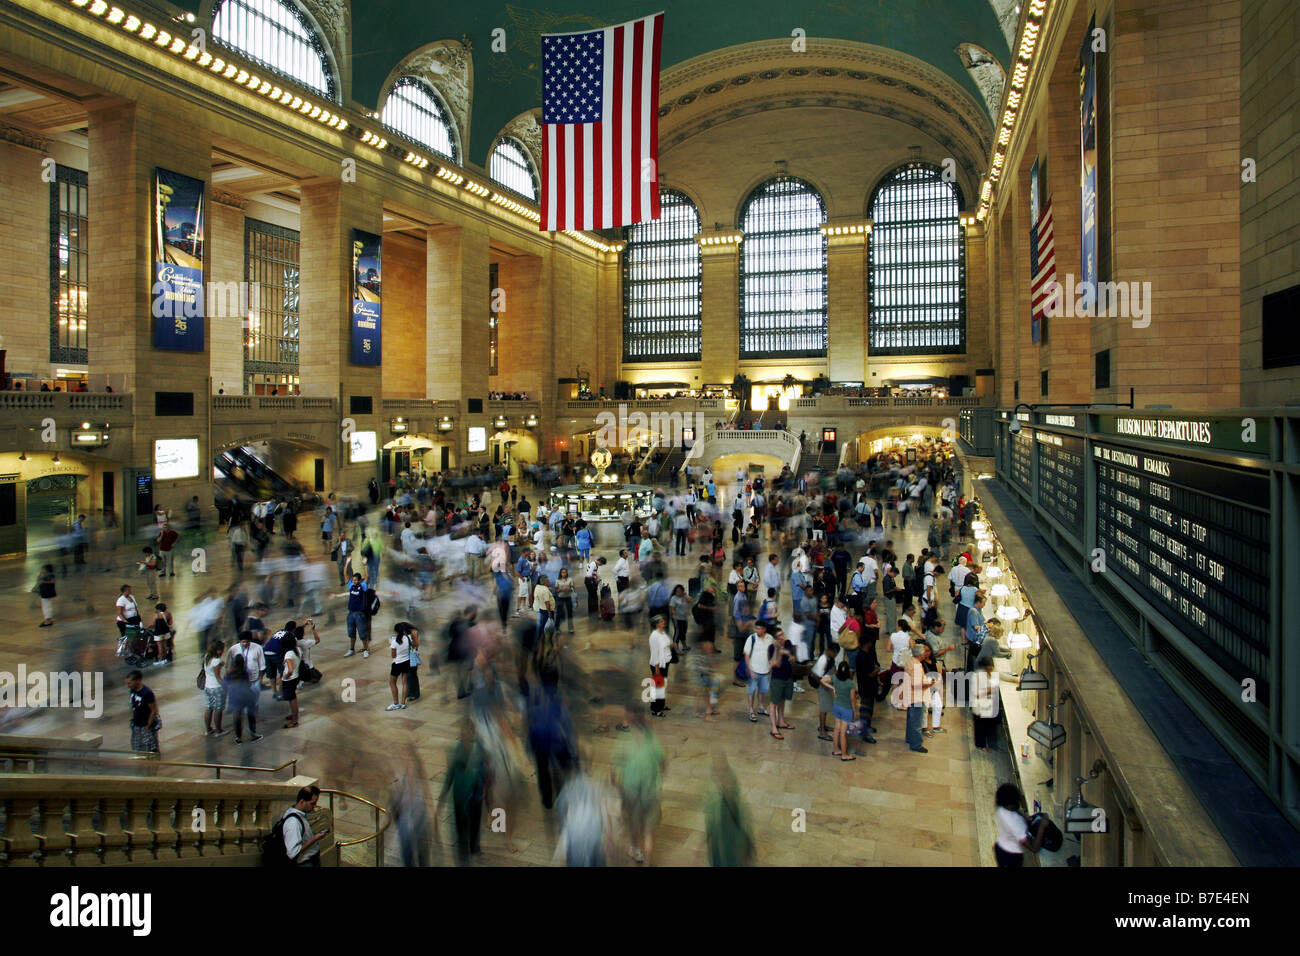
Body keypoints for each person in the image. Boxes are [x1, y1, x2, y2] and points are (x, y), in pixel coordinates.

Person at [613, 709, 666, 864]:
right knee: (648, 833)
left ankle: (636, 850)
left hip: (631, 793)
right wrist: (659, 781)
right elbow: (663, 763)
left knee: (634, 826)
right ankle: (648, 862)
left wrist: (616, 786)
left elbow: (616, 769)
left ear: (629, 722)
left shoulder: (625, 742)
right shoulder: (652, 740)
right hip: (650, 793)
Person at [439, 721, 487, 864]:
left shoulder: (479, 751)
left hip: (475, 798)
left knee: (474, 823)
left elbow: (485, 773)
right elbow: (451, 774)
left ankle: (474, 846)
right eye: (462, 733)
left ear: (473, 734)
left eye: (467, 733)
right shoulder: (457, 750)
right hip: (459, 798)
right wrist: (443, 795)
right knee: (460, 827)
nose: (464, 736)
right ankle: (463, 855)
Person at [994, 782, 1048, 867]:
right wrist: (1042, 827)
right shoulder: (1016, 822)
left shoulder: (1001, 808)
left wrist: (1024, 817)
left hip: (1000, 848)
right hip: (1012, 857)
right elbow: (1034, 848)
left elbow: (1014, 812)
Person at [282, 787, 328, 867]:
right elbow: (293, 852)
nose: (315, 806)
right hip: (305, 863)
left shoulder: (298, 813)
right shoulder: (293, 822)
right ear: (302, 801)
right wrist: (315, 839)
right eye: (312, 803)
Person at [822, 659, 857, 761]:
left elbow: (822, 680)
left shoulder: (835, 678)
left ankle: (836, 749)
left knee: (837, 728)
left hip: (836, 707)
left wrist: (832, 688)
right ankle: (844, 754)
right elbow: (852, 699)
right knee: (843, 732)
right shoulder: (851, 684)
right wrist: (855, 711)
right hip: (846, 709)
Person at [767, 625, 796, 740]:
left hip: (787, 676)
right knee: (774, 702)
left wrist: (788, 653)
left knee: (783, 699)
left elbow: (793, 659)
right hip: (777, 678)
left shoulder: (788, 643)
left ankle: (781, 721)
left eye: (782, 634)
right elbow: (774, 664)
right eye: (779, 637)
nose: (782, 638)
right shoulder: (771, 648)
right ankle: (774, 727)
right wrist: (778, 650)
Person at [334, 573, 372, 658]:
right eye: (353, 580)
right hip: (351, 613)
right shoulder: (351, 586)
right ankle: (351, 649)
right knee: (351, 632)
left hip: (360, 614)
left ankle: (366, 649)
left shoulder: (363, 587)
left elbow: (367, 577)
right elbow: (345, 576)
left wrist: (364, 564)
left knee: (362, 633)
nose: (353, 581)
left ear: (359, 580)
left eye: (355, 580)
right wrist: (347, 564)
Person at [743, 620, 774, 723]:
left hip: (765, 670)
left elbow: (772, 652)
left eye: (760, 629)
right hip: (754, 670)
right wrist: (750, 670)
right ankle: (751, 710)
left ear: (764, 629)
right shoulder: (751, 638)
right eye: (757, 628)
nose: (758, 631)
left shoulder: (770, 638)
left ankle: (761, 706)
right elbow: (747, 655)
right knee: (751, 691)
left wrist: (771, 665)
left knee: (762, 690)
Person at [124, 669, 161, 754]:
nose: (128, 686)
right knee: (137, 747)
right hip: (136, 724)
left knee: (150, 748)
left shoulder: (147, 693)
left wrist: (147, 726)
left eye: (129, 683)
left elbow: (154, 710)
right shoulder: (132, 690)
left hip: (146, 725)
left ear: (138, 681)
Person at [972, 656, 1000, 751]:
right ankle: (981, 745)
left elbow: (1002, 676)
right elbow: (976, 693)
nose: (990, 670)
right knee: (981, 727)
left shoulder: (992, 674)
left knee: (990, 726)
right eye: (988, 668)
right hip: (980, 705)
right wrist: (990, 690)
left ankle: (992, 744)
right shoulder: (977, 676)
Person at [812, 642, 839, 742]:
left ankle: (823, 725)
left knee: (826, 707)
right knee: (823, 708)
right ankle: (822, 732)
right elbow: (817, 677)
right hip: (823, 687)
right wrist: (826, 686)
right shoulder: (823, 660)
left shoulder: (830, 658)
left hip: (827, 686)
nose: (835, 656)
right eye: (835, 653)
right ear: (832, 651)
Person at [904, 644, 928, 753]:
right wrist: (929, 684)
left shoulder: (910, 661)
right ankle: (916, 744)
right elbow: (915, 684)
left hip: (909, 695)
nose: (926, 654)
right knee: (917, 722)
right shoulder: (917, 666)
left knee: (911, 719)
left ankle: (909, 738)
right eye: (924, 652)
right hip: (917, 697)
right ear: (921, 654)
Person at [647, 614, 673, 717]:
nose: (664, 622)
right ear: (657, 624)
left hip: (665, 662)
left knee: (662, 686)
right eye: (661, 621)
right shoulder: (654, 636)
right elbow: (654, 653)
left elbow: (667, 643)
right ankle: (655, 709)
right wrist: (657, 668)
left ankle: (661, 705)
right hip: (658, 665)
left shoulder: (662, 633)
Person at [388, 623, 411, 710]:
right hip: (406, 662)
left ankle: (396, 703)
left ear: (396, 631)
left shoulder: (394, 642)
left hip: (397, 663)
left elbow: (393, 656)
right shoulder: (407, 638)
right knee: (405, 682)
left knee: (392, 682)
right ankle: (403, 703)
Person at [280, 631, 302, 728]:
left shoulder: (288, 654)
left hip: (290, 679)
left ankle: (294, 721)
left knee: (292, 699)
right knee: (293, 698)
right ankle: (294, 715)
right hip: (296, 677)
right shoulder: (297, 650)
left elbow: (290, 669)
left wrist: (286, 676)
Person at [35, 564, 56, 628]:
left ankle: (48, 620)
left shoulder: (50, 575)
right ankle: (48, 618)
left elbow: (52, 581)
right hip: (46, 593)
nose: (42, 570)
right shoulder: (47, 575)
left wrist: (43, 581)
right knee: (47, 605)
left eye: (43, 569)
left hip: (47, 593)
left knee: (46, 606)